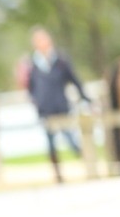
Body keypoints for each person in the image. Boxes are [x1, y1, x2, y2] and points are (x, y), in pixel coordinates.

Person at [27, 27, 90, 183]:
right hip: (45, 109)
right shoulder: (33, 65)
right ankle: (58, 175)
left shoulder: (61, 60)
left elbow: (74, 79)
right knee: (51, 144)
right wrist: (37, 102)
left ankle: (88, 166)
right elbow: (31, 88)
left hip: (61, 106)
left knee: (71, 139)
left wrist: (85, 97)